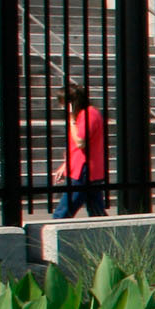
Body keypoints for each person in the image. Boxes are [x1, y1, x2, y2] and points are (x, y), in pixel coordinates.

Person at [51, 83, 107, 218]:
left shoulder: (88, 115)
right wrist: (66, 165)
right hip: (82, 167)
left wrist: (71, 120)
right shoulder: (85, 114)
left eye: (64, 103)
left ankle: (50, 234)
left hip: (83, 169)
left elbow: (80, 142)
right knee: (96, 210)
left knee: (63, 212)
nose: (62, 107)